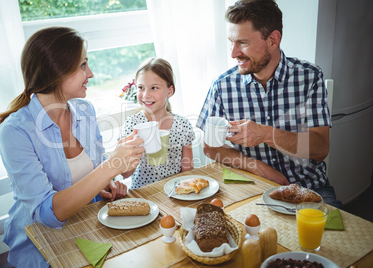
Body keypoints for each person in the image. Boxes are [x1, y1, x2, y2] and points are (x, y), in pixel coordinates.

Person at [0, 27, 145, 267]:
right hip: (43, 246)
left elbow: (89, 173)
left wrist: (107, 183)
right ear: (58, 71)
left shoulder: (85, 111)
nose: (92, 73)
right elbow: (47, 214)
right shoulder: (15, 131)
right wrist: (110, 167)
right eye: (83, 65)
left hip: (89, 227)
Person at [196, 0, 342, 208]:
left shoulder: (309, 77)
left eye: (243, 43)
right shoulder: (222, 85)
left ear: (273, 40)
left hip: (310, 189)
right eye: (231, 42)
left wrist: (265, 134)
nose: (233, 53)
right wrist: (256, 167)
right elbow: (210, 147)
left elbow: (320, 148)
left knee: (337, 239)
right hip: (252, 189)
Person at [121, 57, 195, 189]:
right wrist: (135, 150)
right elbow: (126, 173)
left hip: (175, 193)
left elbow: (187, 170)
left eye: (154, 88)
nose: (145, 95)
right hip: (144, 195)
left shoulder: (182, 124)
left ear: (170, 91)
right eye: (141, 87)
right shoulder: (132, 124)